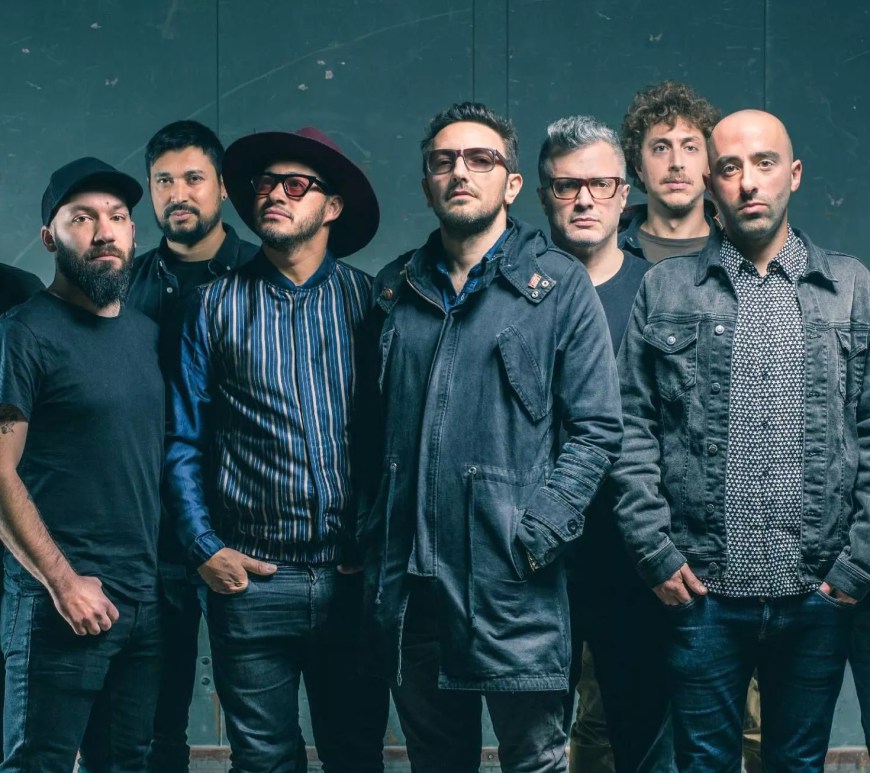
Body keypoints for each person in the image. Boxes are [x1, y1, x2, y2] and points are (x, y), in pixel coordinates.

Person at [361, 101, 622, 773]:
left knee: (533, 761)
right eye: (443, 161)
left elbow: (596, 430)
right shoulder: (395, 290)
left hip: (513, 590)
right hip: (413, 592)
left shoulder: (558, 286)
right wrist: (373, 535)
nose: (460, 172)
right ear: (427, 183)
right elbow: (370, 434)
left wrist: (534, 535)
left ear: (511, 184)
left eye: (480, 159)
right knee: (435, 762)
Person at [612, 109, 870, 771]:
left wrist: (853, 568)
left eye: (764, 163)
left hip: (816, 594)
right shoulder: (667, 288)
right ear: (710, 183)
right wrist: (654, 552)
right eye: (729, 167)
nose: (748, 181)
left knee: (797, 764)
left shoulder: (850, 287)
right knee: (702, 764)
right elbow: (632, 428)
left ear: (795, 174)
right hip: (703, 594)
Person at [163, 127, 388, 772]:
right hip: (253, 584)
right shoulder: (212, 306)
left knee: (356, 757)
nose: (274, 195)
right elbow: (182, 438)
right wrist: (204, 547)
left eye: (295, 185)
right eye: (265, 184)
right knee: (262, 762)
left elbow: (394, 436)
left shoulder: (372, 303)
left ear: (332, 206)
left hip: (352, 582)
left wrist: (375, 544)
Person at [0, 157, 164, 770]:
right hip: (57, 606)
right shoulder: (23, 333)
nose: (104, 232)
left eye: (117, 217)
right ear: (50, 238)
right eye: (83, 218)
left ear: (133, 233)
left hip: (139, 604)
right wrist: (63, 584)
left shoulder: (144, 334)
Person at [537, 115, 671, 773]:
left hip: (635, 559)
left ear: (624, 194)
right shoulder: (518, 289)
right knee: (536, 745)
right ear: (543, 195)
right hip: (537, 563)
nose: (584, 199)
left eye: (600, 184)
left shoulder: (662, 294)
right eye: (567, 186)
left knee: (646, 741)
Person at [127, 119, 258, 773]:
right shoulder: (126, 285)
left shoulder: (263, 274)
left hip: (247, 528)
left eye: (193, 178)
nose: (178, 193)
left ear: (223, 187)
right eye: (164, 181)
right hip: (151, 537)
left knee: (259, 725)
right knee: (155, 724)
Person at [619, 80, 719, 263]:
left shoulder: (739, 252)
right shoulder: (608, 251)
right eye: (661, 148)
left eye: (690, 148)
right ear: (639, 166)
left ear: (709, 163)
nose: (677, 163)